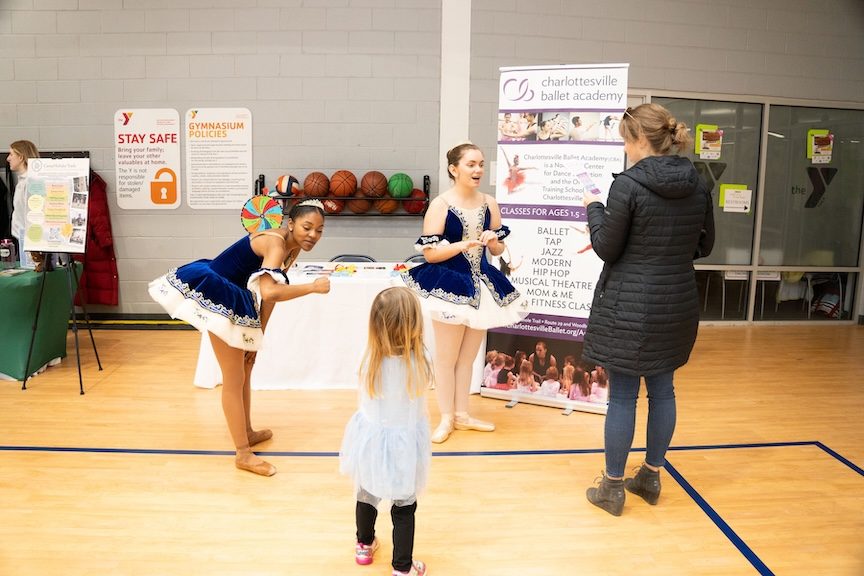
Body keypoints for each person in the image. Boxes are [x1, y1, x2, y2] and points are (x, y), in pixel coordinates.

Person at [582, 103, 715, 516]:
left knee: (622, 396)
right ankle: (652, 476)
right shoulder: (697, 183)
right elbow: (705, 246)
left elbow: (606, 246)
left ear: (640, 139)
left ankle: (613, 487)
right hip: (676, 302)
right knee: (663, 390)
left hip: (630, 306)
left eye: (625, 138)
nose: (624, 146)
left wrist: (593, 207)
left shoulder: (628, 185)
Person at [149, 199, 330, 476]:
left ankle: (246, 431)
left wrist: (258, 337)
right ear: (290, 224)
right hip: (218, 293)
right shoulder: (276, 244)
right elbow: (269, 292)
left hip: (236, 297)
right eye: (307, 227)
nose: (313, 235)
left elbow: (269, 297)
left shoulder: (290, 250)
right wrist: (313, 288)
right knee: (233, 377)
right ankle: (243, 453)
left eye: (319, 230)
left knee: (246, 368)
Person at [403, 142, 526, 443]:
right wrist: (460, 245)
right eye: (471, 164)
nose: (478, 170)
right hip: (448, 284)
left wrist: (492, 241)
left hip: (481, 285)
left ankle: (462, 414)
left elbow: (497, 247)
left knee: (467, 358)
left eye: (481, 164)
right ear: (453, 169)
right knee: (446, 358)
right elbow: (430, 255)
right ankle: (446, 417)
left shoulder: (489, 203)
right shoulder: (441, 205)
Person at [339, 286, 431, 576]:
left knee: (366, 493)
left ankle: (364, 545)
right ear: (413, 325)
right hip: (404, 446)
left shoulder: (368, 359)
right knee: (404, 507)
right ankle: (402, 568)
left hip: (371, 443)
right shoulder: (420, 362)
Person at [7, 140, 40, 263]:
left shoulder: (30, 182)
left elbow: (33, 215)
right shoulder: (22, 182)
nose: (8, 159)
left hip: (30, 241)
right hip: (21, 239)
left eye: (11, 154)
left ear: (21, 157)